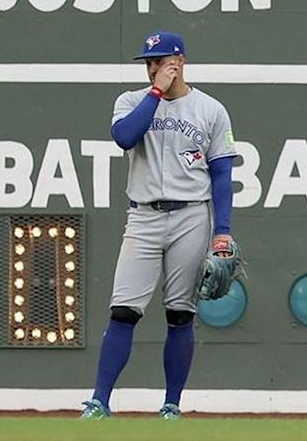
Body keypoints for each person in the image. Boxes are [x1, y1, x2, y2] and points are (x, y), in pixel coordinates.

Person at [80, 31, 238, 421]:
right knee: (124, 309)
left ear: (180, 61)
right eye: (150, 61)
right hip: (144, 214)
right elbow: (124, 136)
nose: (155, 67)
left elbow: (221, 175)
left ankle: (171, 404)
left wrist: (223, 230)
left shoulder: (210, 109)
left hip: (191, 215)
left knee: (180, 313)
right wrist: (155, 92)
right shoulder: (132, 100)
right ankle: (99, 401)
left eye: (162, 60)